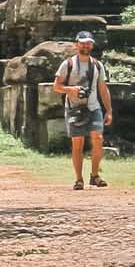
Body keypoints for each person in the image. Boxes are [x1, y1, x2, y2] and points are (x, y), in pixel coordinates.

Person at [53, 30, 113, 190]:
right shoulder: (68, 64)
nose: (85, 45)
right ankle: (79, 179)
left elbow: (102, 88)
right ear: (76, 44)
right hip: (74, 108)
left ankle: (95, 175)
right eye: (82, 42)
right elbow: (56, 87)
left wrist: (109, 110)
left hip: (93, 107)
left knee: (98, 139)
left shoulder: (97, 65)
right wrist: (71, 90)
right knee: (77, 142)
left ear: (92, 45)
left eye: (88, 43)